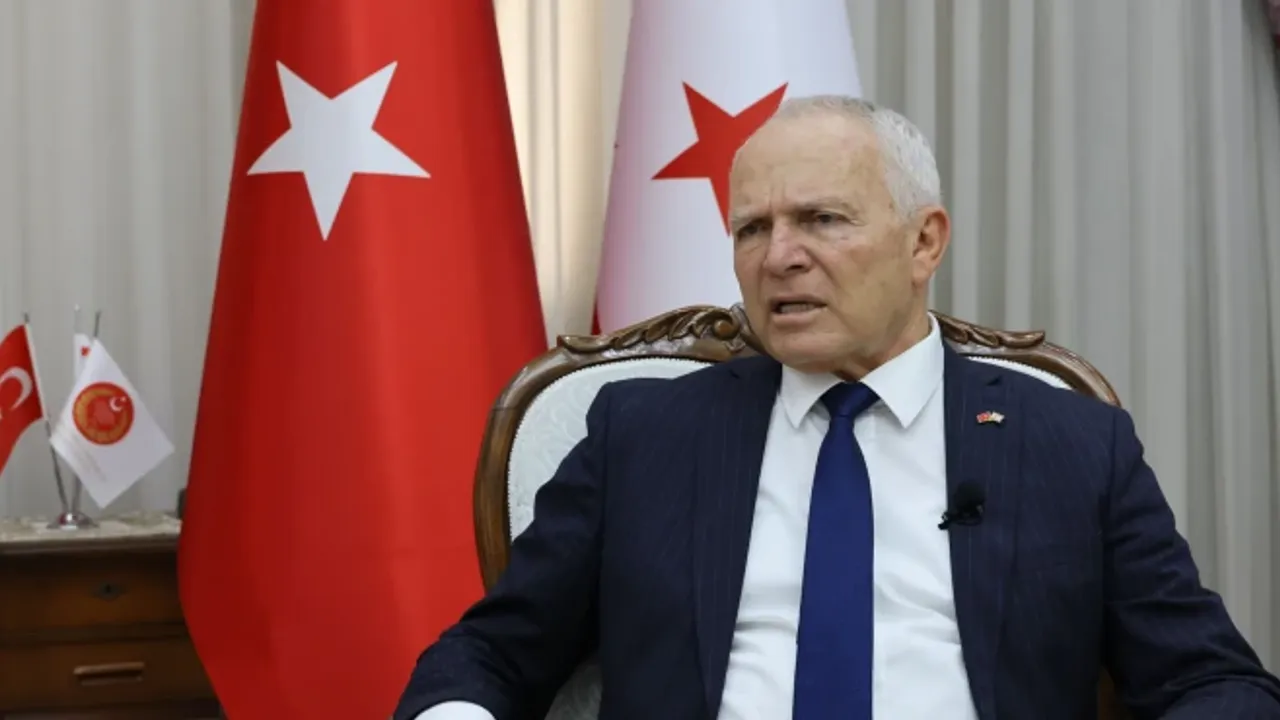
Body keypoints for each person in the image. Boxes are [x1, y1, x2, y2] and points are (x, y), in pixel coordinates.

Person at [394, 95, 1280, 719]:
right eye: (752, 228)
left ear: (924, 242)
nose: (779, 256)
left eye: (821, 219)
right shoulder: (644, 436)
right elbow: (491, 655)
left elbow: (1212, 682)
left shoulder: (1071, 444)